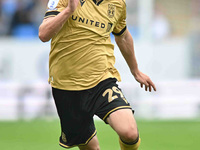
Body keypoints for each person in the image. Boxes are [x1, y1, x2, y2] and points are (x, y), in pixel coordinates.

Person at [39, 0, 156, 150]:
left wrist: (136, 71)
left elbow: (123, 36)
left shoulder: (117, 4)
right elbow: (43, 34)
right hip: (67, 86)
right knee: (91, 148)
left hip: (102, 80)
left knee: (129, 132)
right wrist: (69, 10)